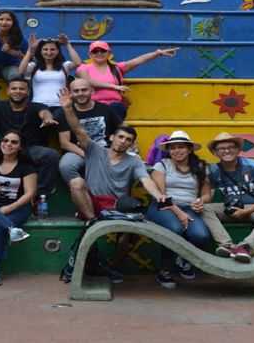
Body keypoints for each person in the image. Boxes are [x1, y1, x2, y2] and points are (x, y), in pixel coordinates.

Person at [57, 87, 166, 283]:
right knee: (76, 182)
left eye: (128, 140)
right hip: (92, 203)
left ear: (132, 143)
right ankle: (91, 221)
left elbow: (146, 180)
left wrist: (158, 195)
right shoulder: (95, 150)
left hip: (117, 206)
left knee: (128, 237)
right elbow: (78, 130)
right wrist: (67, 109)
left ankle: (108, 267)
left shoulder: (134, 161)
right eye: (121, 137)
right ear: (112, 137)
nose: (123, 141)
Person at [197, 132, 254, 264]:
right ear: (215, 153)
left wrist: (247, 211)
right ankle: (227, 246)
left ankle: (246, 247)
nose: (227, 151)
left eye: (231, 147)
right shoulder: (213, 170)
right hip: (231, 209)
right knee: (204, 209)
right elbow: (208, 196)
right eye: (221, 149)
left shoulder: (252, 165)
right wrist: (200, 202)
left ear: (237, 149)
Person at [145, 131, 213, 289]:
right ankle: (164, 270)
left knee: (201, 235)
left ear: (190, 149)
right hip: (162, 207)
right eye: (172, 148)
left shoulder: (202, 166)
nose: (177, 151)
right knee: (174, 229)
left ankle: (184, 259)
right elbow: (161, 196)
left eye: (181, 147)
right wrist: (180, 213)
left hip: (189, 207)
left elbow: (206, 193)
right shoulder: (161, 165)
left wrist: (200, 202)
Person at [0, 131, 37, 285]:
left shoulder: (26, 167)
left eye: (14, 142)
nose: (8, 144)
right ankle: (13, 230)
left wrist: (9, 209)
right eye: (5, 140)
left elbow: (29, 194)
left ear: (20, 147)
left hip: (17, 208)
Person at [0, 78, 59, 196]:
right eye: (14, 88)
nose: (17, 91)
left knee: (51, 155)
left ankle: (41, 194)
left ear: (28, 92)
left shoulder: (37, 106)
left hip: (29, 149)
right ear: (8, 91)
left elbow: (44, 113)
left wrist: (47, 118)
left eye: (21, 89)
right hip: (6, 148)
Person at [76, 41, 179, 119]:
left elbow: (138, 60)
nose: (99, 53)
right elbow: (87, 82)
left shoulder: (116, 68)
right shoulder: (83, 68)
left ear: (108, 53)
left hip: (115, 107)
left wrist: (158, 53)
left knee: (117, 108)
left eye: (102, 50)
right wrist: (113, 86)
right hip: (94, 106)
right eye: (95, 51)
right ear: (90, 54)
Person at [57, 78, 122, 190]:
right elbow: (65, 143)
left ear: (92, 91)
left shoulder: (105, 109)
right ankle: (82, 191)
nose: (80, 94)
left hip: (104, 149)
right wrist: (87, 154)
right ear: (71, 93)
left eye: (84, 90)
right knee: (65, 165)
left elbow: (123, 128)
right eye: (76, 91)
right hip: (78, 151)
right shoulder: (65, 113)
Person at [18, 33, 82, 110]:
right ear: (40, 51)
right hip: (37, 106)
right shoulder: (34, 66)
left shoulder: (64, 65)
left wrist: (67, 44)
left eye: (52, 49)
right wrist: (30, 49)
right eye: (45, 49)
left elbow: (78, 62)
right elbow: (21, 70)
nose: (49, 52)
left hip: (61, 106)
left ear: (57, 51)